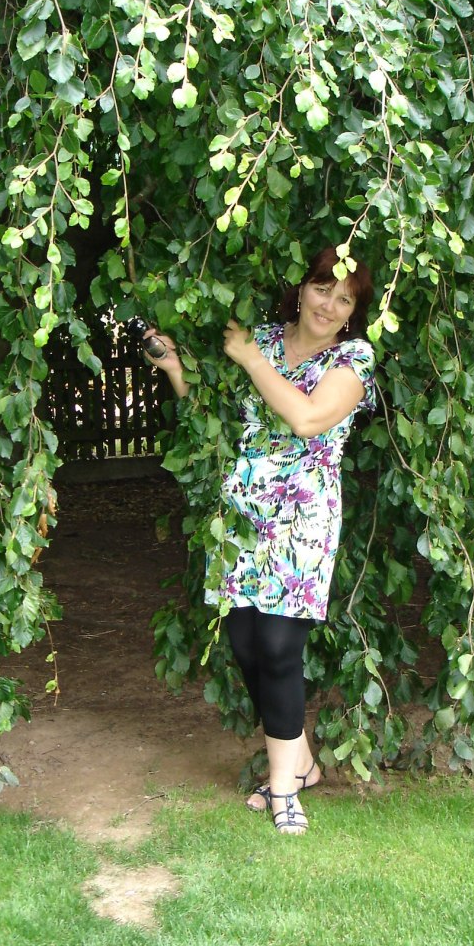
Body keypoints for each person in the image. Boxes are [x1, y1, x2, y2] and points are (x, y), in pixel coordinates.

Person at [143, 247, 376, 834]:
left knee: (277, 646)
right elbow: (216, 418)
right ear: (303, 289)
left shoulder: (353, 359)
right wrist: (174, 368)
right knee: (246, 645)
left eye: (344, 298)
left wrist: (250, 359)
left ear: (353, 312)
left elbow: (308, 418)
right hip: (241, 518)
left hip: (302, 521)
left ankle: (284, 791)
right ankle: (301, 763)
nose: (329, 305)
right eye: (323, 288)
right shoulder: (264, 340)